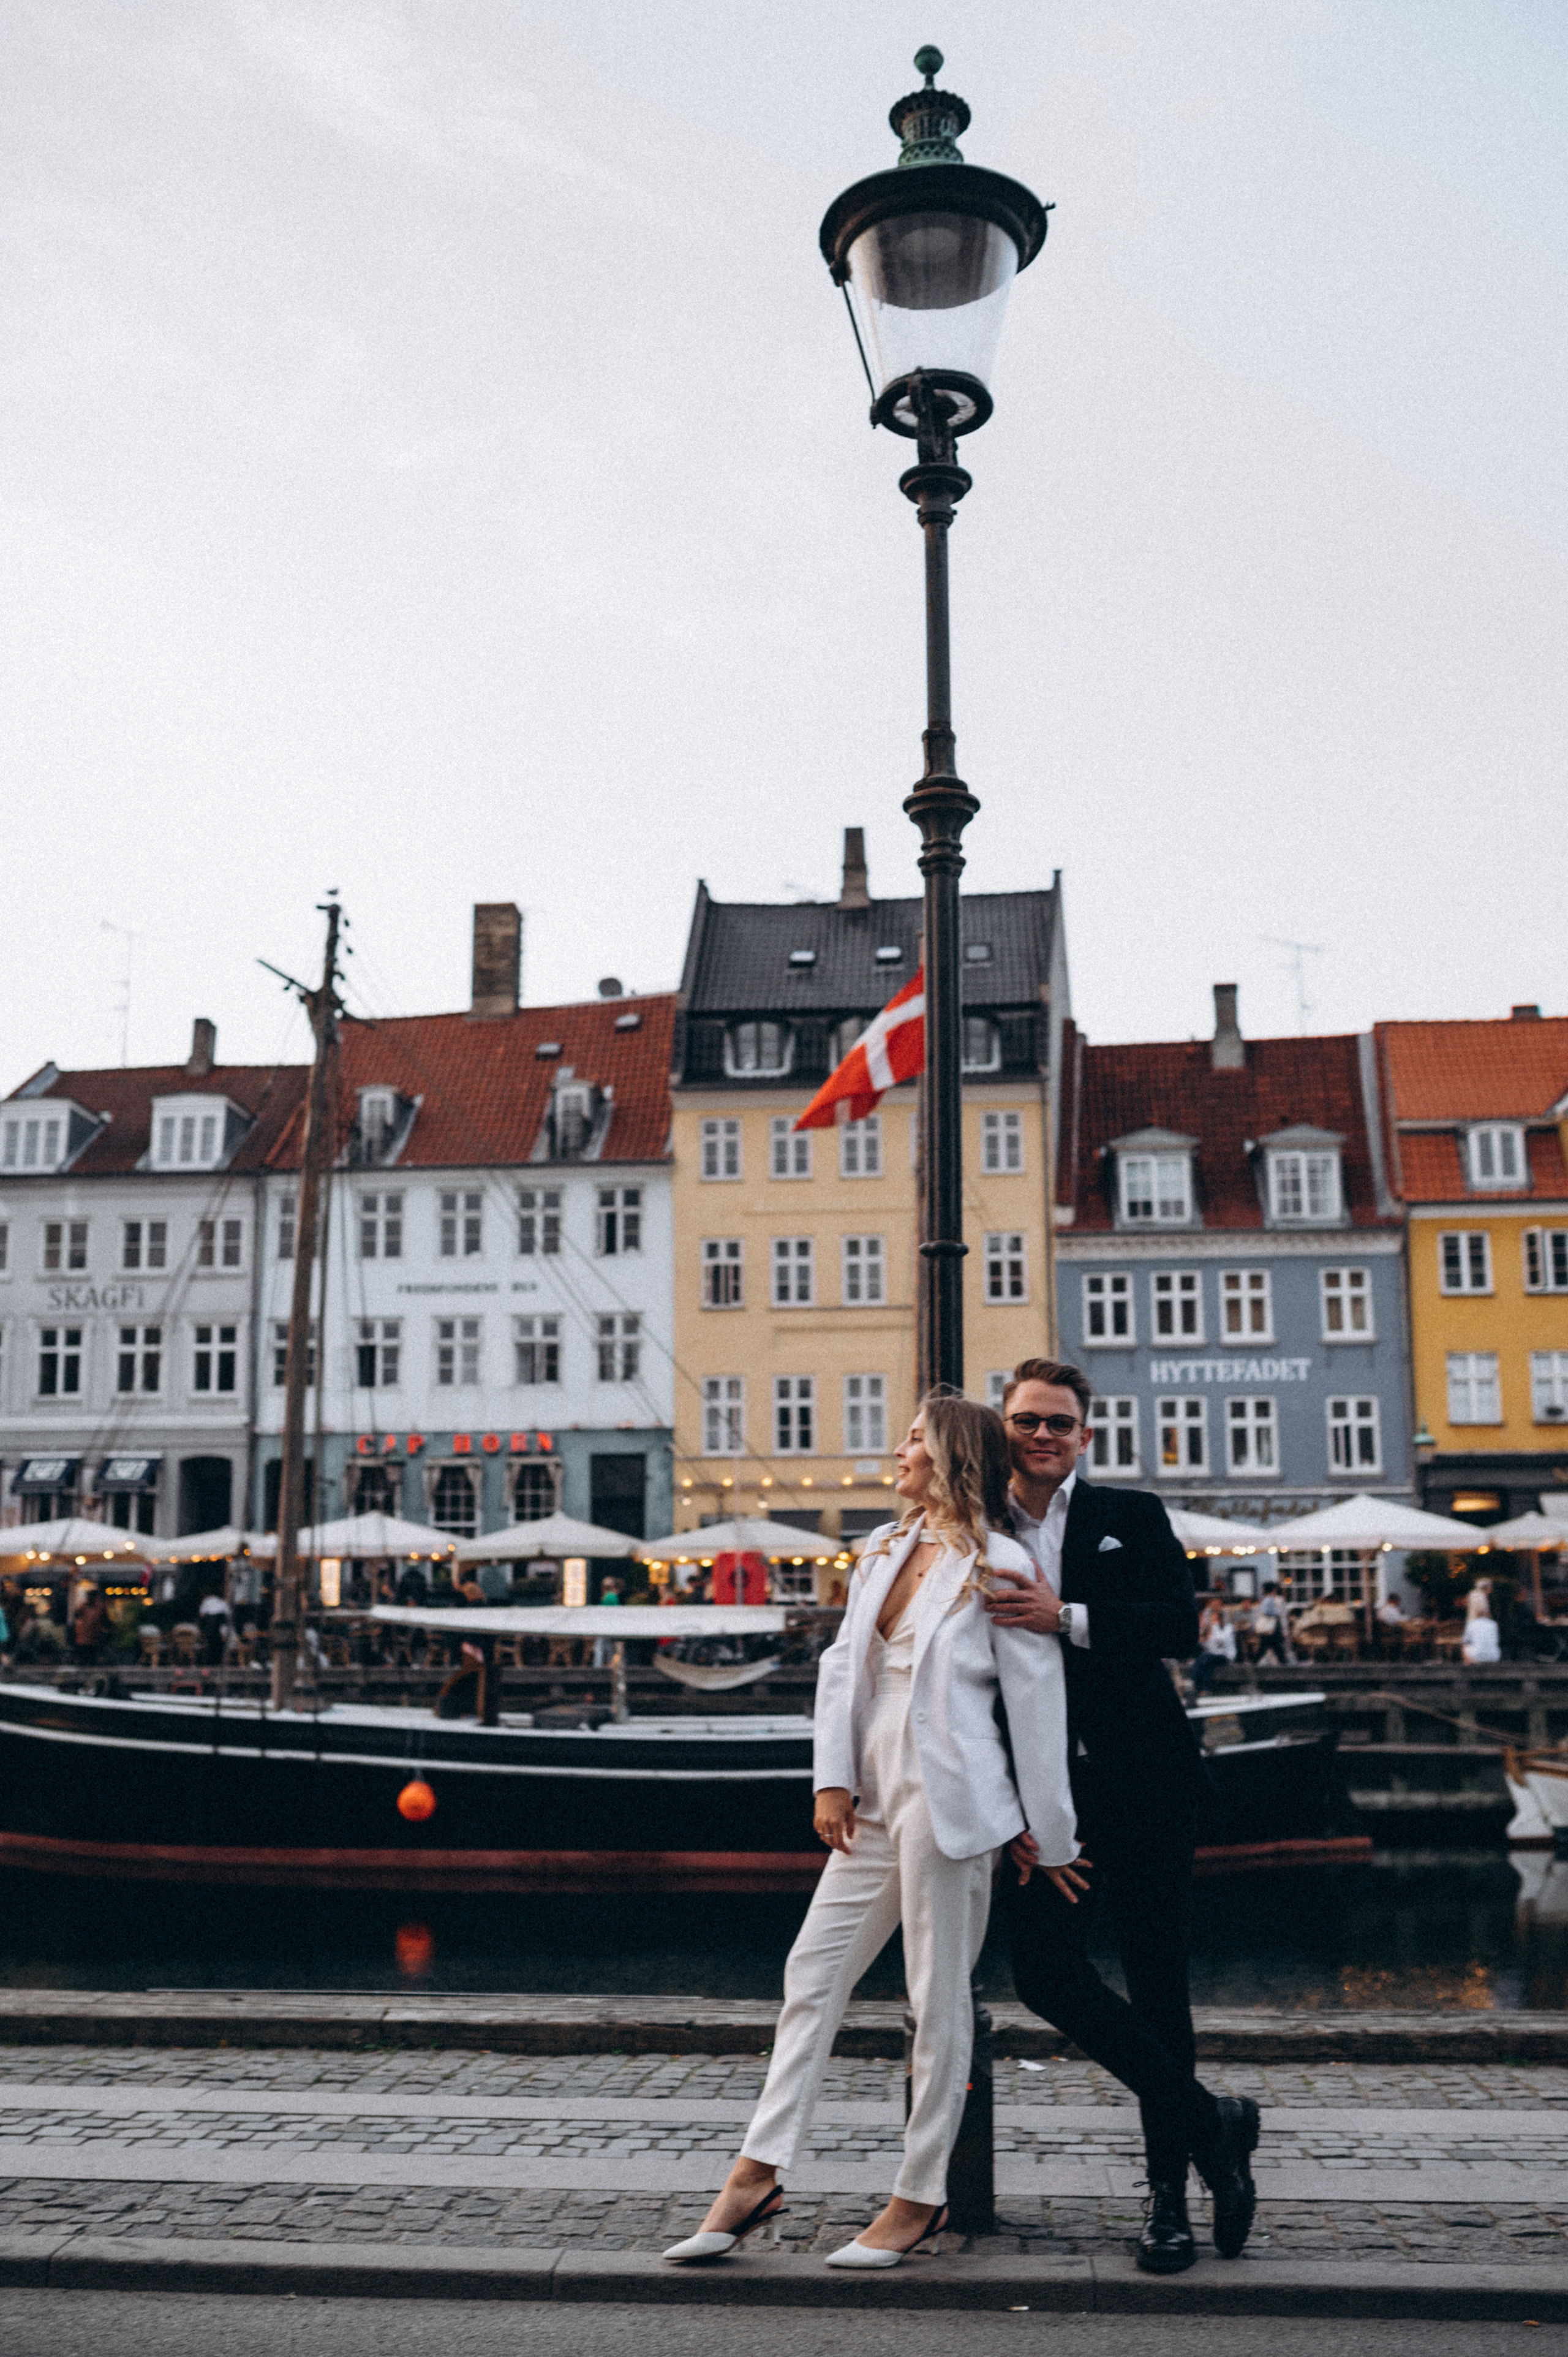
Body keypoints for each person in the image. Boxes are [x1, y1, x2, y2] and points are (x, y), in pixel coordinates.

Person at [664, 1391, 1079, 2272]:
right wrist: (832, 1775)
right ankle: (758, 2170)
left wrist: (1053, 1833)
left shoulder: (1000, 1562)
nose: (900, 1449)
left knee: (935, 1997)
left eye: (915, 1439)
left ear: (951, 1455)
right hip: (875, 1791)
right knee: (811, 1971)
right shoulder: (882, 1547)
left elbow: (1037, 1706)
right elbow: (842, 1668)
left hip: (952, 1792)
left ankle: (918, 2195)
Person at [982, 1358, 1259, 2276]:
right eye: (1028, 1419)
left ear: (1084, 1434)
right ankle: (1210, 2118)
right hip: (1045, 1798)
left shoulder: (1128, 1514)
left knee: (1158, 1981)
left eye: (1060, 1422)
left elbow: (1178, 1623)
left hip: (1146, 1783)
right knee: (1048, 1977)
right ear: (1004, 1428)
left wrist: (1067, 1616)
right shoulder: (978, 1524)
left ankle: (1168, 2198)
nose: (1043, 1435)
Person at [1190, 1599, 1236, 1699]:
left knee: (1204, 1657)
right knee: (1208, 1665)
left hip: (1227, 1656)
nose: (1213, 1621)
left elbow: (1221, 1641)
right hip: (1215, 1656)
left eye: (1214, 1619)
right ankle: (1206, 1690)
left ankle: (1191, 1681)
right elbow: (1211, 1647)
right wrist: (1204, 1640)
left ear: (1220, 1619)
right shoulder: (1214, 1630)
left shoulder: (1228, 1628)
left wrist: (1214, 1628)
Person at [1251, 1584, 1291, 1666]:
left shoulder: (1265, 1599)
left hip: (1270, 1629)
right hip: (1271, 1628)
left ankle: (1255, 1662)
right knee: (1274, 1646)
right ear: (1273, 1590)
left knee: (1268, 1646)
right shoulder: (1270, 1599)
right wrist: (1277, 1614)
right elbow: (1266, 1611)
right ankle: (1284, 1663)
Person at [1463, 1578, 1501, 1664]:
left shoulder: (1474, 1594)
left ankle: (1469, 1666)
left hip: (1474, 1622)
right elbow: (1480, 1610)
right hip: (1478, 1623)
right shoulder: (1479, 1596)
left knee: (1470, 1643)